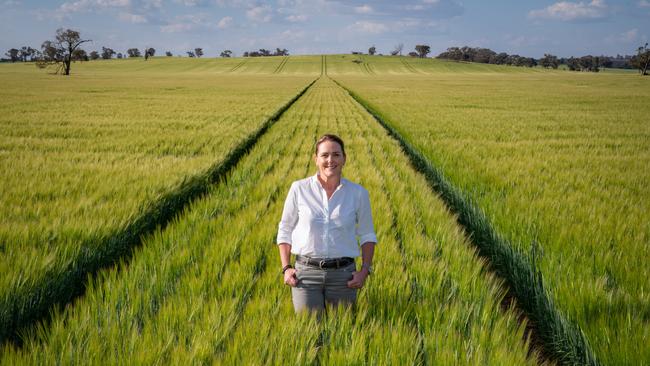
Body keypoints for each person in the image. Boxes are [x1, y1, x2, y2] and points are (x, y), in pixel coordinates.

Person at [276, 134, 377, 313]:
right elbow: (285, 229)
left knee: (343, 333)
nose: (330, 160)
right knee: (310, 333)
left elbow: (367, 234)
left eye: (336, 154)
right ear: (316, 159)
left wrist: (364, 271)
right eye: (324, 155)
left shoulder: (358, 193)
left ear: (344, 158)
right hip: (305, 275)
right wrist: (286, 268)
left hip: (344, 275)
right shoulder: (299, 189)